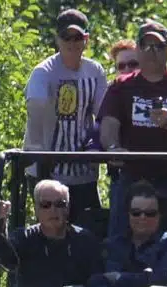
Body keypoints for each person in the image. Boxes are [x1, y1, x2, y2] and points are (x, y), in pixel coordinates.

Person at [99, 20, 167, 246]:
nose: (152, 52)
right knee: (118, 244)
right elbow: (108, 124)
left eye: (158, 47)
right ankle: (115, 278)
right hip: (132, 177)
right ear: (137, 49)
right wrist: (112, 147)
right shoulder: (120, 86)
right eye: (146, 46)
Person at [23, 9, 109, 228]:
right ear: (57, 39)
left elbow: (104, 115)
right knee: (51, 230)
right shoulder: (43, 72)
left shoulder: (95, 71)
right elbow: (36, 112)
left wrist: (97, 145)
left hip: (84, 171)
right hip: (48, 169)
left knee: (88, 233)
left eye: (77, 37)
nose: (72, 43)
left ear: (86, 39)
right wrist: (42, 159)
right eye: (66, 37)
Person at [0, 179, 103, 287]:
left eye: (59, 204)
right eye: (46, 205)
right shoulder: (24, 238)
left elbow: (97, 283)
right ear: (36, 209)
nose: (53, 210)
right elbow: (6, 260)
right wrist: (0, 222)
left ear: (67, 208)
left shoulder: (85, 240)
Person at [88, 180, 167, 287]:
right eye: (136, 213)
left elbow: (161, 281)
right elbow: (94, 280)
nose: (142, 218)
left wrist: (117, 278)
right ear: (128, 214)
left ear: (160, 215)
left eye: (150, 213)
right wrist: (141, 279)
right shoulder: (111, 245)